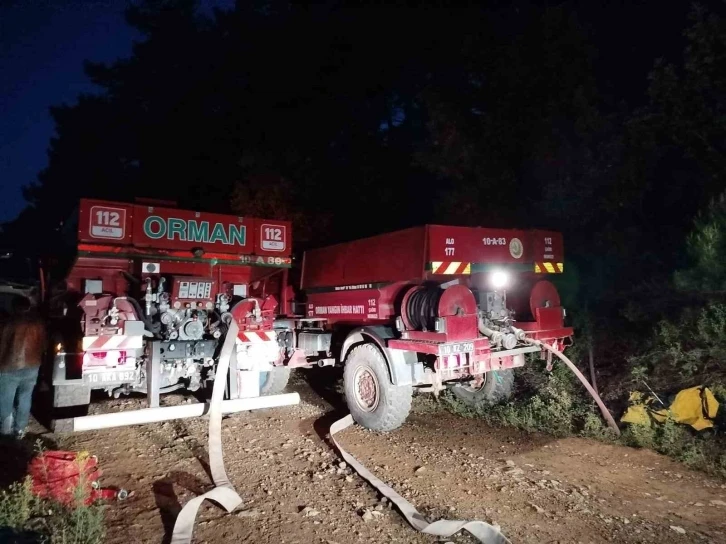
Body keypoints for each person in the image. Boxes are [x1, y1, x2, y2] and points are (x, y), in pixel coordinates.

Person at [0, 296, 45, 438]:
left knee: (5, 399)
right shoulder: (38, 324)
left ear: (14, 307)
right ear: (28, 307)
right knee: (25, 398)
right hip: (32, 367)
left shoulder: (7, 323)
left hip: (9, 367)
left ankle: (6, 431)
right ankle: (20, 429)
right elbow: (43, 345)